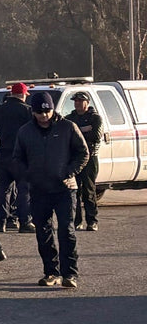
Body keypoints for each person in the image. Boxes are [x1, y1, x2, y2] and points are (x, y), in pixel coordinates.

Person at [13, 92, 89, 288]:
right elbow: (17, 158)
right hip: (39, 189)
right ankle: (51, 272)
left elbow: (83, 153)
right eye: (39, 112)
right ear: (33, 112)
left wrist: (70, 172)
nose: (44, 116)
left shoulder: (67, 127)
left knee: (66, 230)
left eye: (47, 111)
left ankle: (70, 274)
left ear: (53, 109)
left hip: (64, 189)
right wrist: (27, 175)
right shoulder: (25, 131)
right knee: (43, 232)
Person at [0, 83, 36, 233]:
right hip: (21, 156)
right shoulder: (28, 112)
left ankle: (0, 222)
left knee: (3, 190)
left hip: (1, 156)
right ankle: (24, 222)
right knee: (24, 190)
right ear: (23, 95)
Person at [66, 91, 104, 231]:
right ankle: (76, 221)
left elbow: (95, 136)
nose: (77, 103)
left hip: (90, 158)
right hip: (74, 158)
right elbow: (66, 136)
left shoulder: (95, 118)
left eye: (80, 101)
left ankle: (92, 220)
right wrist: (83, 131)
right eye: (75, 101)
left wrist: (78, 132)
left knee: (89, 190)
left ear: (87, 103)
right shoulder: (70, 118)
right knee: (74, 191)